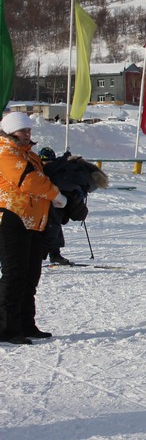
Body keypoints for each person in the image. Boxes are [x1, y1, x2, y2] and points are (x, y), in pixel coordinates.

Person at [0, 112, 67, 344]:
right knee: (14, 274)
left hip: (34, 220)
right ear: (10, 131)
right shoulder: (5, 153)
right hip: (12, 218)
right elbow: (30, 180)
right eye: (23, 131)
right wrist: (56, 194)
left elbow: (42, 175)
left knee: (30, 275)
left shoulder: (29, 154)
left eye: (29, 130)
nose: (28, 134)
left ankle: (26, 324)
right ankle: (7, 328)